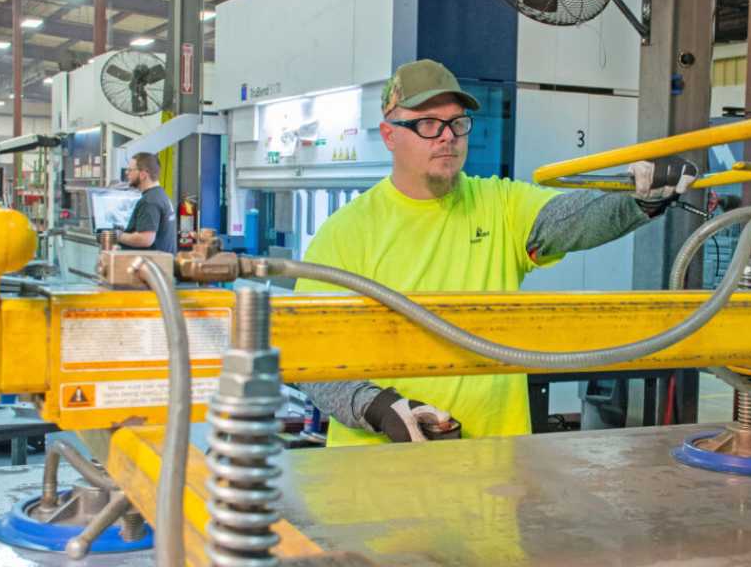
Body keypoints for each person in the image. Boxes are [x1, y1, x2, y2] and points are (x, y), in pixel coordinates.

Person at [296, 59, 696, 447]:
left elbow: (571, 219)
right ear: (389, 135)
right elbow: (307, 355)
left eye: (456, 123)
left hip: (491, 472)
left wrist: (638, 198)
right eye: (428, 124)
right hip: (375, 485)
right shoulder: (345, 232)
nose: (447, 136)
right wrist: (379, 408)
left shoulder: (498, 204)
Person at [117, 152, 176, 253]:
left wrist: (117, 235)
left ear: (143, 174)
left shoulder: (149, 201)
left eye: (130, 170)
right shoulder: (160, 194)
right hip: (162, 264)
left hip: (151, 265)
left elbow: (145, 239)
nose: (127, 173)